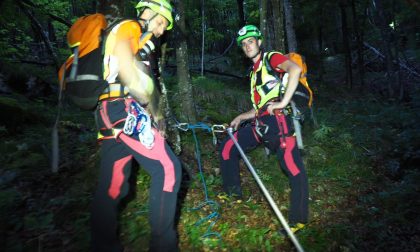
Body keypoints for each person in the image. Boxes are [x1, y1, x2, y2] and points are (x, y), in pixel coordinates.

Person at [91, 1, 181, 251]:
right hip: (123, 109)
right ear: (148, 12)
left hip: (110, 113)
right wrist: (142, 102)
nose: (162, 30)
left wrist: (156, 115)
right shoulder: (129, 26)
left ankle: (102, 245)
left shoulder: (141, 43)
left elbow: (141, 79)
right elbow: (125, 63)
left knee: (114, 184)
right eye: (161, 22)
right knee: (168, 168)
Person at [219, 25, 309, 234]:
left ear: (259, 42)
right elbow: (260, 106)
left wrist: (283, 102)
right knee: (228, 147)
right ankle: (233, 194)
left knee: (293, 169)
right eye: (243, 44)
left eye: (251, 41)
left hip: (280, 124)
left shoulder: (272, 58)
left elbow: (294, 70)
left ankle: (298, 220)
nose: (247, 46)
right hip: (261, 124)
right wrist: (241, 117)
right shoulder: (254, 72)